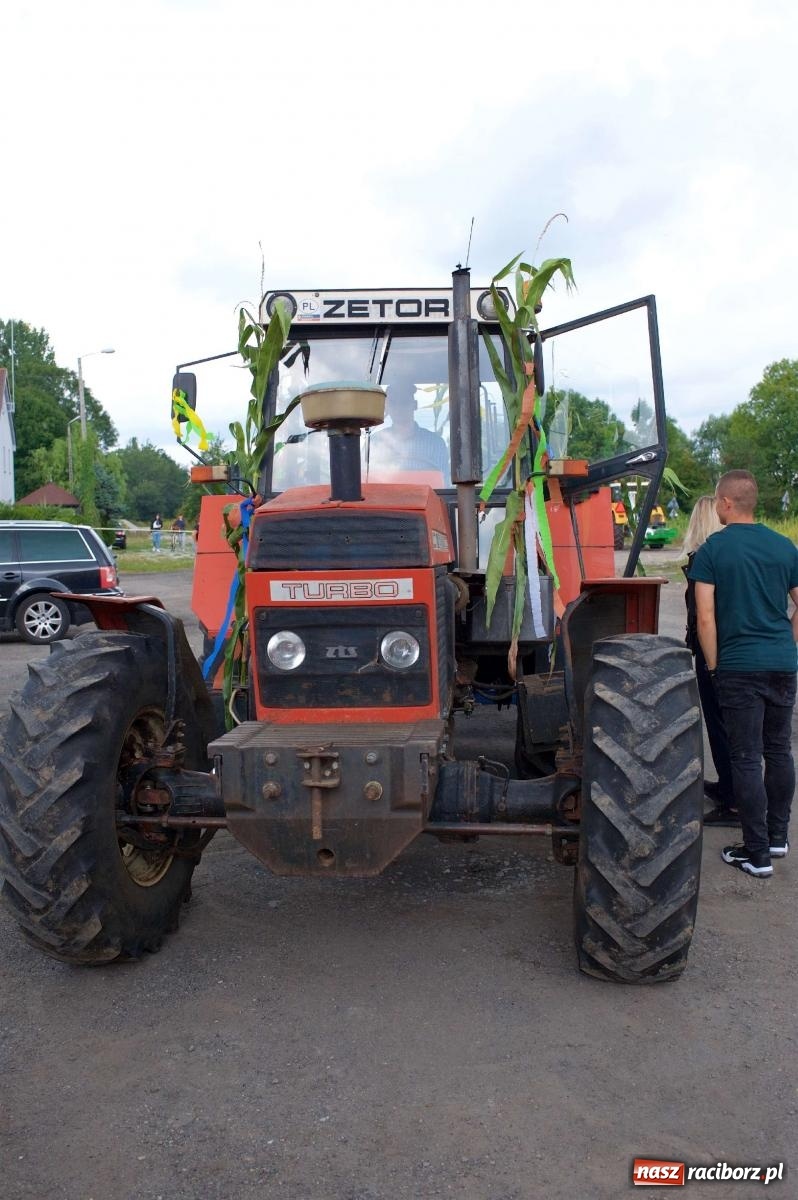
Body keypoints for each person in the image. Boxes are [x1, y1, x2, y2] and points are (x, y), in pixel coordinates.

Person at [692, 469, 798, 878]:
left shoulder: (714, 551)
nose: (716, 506)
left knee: (746, 759)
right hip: (781, 665)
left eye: (718, 500)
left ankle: (756, 855)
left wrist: (716, 667)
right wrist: (787, 643)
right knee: (778, 750)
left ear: (728, 503)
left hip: (738, 666)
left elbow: (705, 618)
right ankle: (777, 837)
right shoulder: (783, 547)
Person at [683, 496, 735, 824]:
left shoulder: (703, 559)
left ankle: (732, 800)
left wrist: (711, 663)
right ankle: (730, 788)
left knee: (719, 723)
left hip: (712, 650)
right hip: (733, 646)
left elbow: (702, 615)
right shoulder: (727, 557)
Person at [368, 389, 450, 484]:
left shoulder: (435, 444)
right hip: (381, 498)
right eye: (393, 403)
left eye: (404, 402)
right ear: (386, 407)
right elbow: (362, 480)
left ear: (415, 405)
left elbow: (444, 486)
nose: (399, 407)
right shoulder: (373, 442)